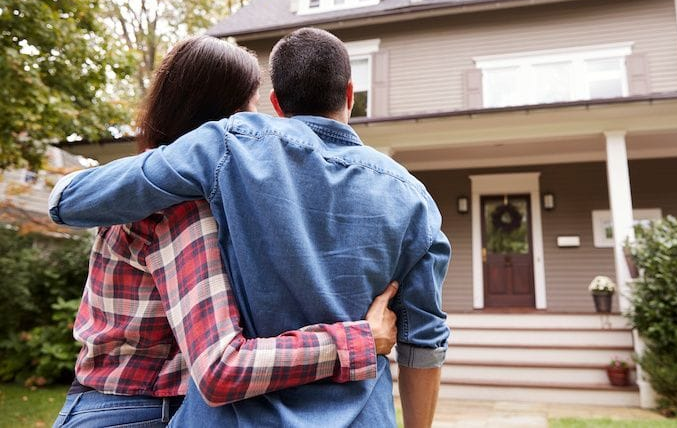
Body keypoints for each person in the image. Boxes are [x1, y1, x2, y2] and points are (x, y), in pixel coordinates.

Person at [50, 28, 450, 428]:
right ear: (350, 95)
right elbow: (424, 342)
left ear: (276, 104)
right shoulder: (415, 200)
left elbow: (68, 202)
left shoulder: (227, 150)